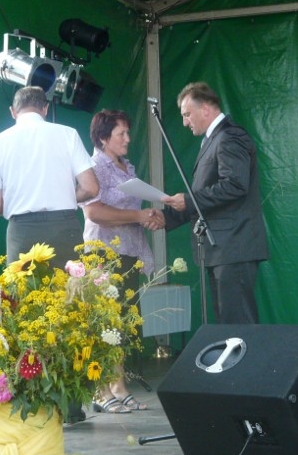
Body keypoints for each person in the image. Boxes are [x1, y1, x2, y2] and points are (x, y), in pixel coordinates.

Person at [0, 85, 99, 424]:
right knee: (70, 309)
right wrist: (65, 194)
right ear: (45, 109)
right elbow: (92, 187)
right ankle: (71, 405)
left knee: (24, 312)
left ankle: (32, 402)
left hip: (22, 232)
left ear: (13, 112)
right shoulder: (67, 134)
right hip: (64, 228)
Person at [161, 82, 268, 324]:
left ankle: (246, 352)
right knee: (227, 323)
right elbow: (206, 195)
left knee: (237, 323)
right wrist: (166, 217)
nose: (185, 122)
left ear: (206, 109)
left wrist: (188, 200)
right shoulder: (213, 140)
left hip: (233, 245)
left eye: (187, 114)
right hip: (221, 248)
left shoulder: (230, 136)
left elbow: (234, 185)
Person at [80, 109, 163, 413]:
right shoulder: (93, 168)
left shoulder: (127, 167)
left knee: (122, 322)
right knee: (104, 321)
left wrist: (150, 217)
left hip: (129, 252)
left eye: (128, 132)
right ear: (103, 139)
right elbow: (94, 212)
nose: (128, 139)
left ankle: (119, 386)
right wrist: (138, 215)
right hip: (103, 252)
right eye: (121, 134)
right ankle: (99, 390)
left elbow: (133, 212)